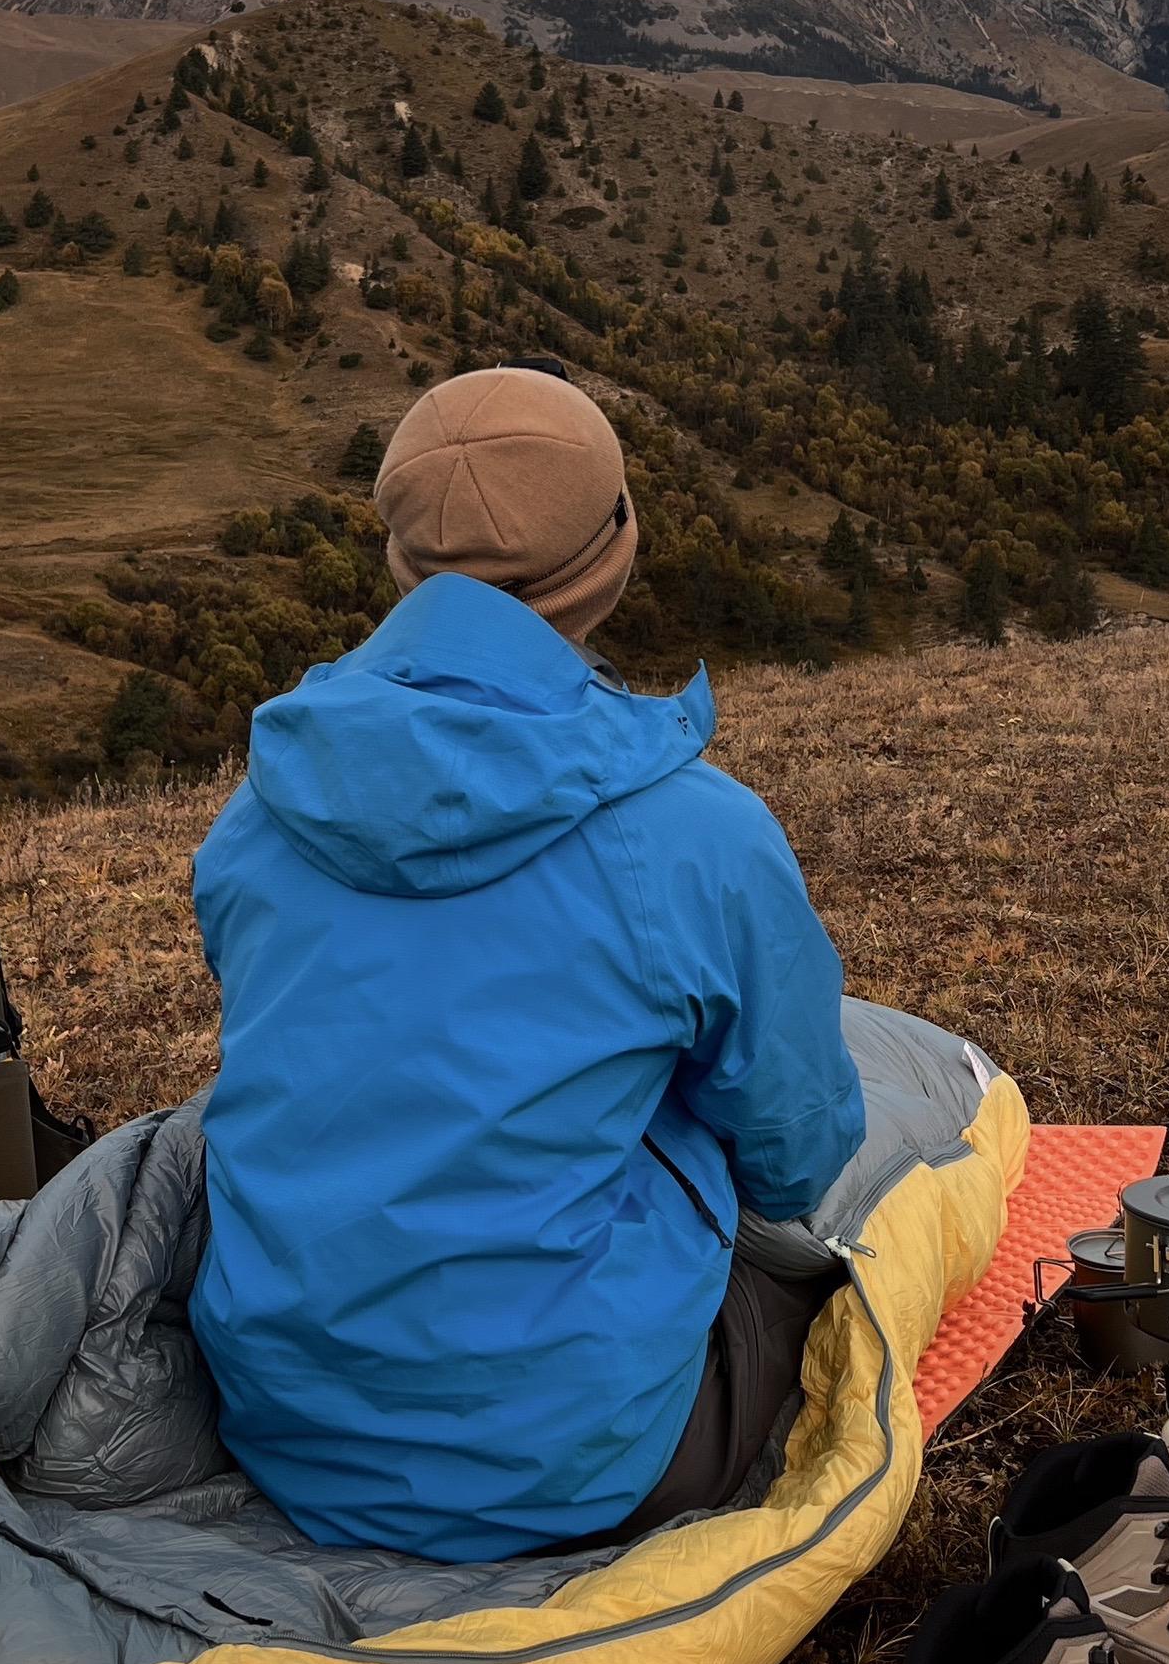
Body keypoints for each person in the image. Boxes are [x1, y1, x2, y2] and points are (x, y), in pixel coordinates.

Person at [188, 364, 867, 1563]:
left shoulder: (255, 819)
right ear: (613, 556)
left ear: (400, 564)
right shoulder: (698, 835)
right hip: (574, 1467)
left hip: (286, 1433)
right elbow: (796, 1157)